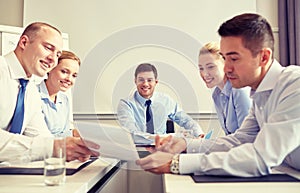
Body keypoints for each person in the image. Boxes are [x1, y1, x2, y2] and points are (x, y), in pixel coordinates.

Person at [136, 13, 300, 177]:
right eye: (225, 58)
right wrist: (185, 144)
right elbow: (239, 140)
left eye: (234, 59)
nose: (226, 68)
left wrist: (177, 164)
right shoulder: (259, 94)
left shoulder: (294, 85)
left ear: (263, 57)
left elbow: (260, 158)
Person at [0, 22, 98, 163]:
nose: (53, 59)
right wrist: (55, 147)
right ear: (23, 42)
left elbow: (40, 136)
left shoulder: (29, 89)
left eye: (57, 54)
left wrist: (76, 148)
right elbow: (48, 146)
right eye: (48, 48)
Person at [117, 63, 204, 143]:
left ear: (156, 82)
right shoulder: (125, 104)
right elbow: (131, 134)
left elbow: (186, 120)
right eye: (141, 80)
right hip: (138, 150)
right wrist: (162, 138)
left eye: (149, 80)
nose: (145, 84)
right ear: (135, 81)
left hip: (162, 150)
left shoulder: (165, 100)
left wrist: (198, 133)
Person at [198, 42, 251, 135]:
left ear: (226, 65)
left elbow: (247, 137)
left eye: (210, 67)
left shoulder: (239, 91)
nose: (204, 74)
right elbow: (230, 136)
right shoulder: (217, 94)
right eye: (201, 68)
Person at [38, 50, 80, 137]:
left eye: (74, 76)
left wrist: (74, 133)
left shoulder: (64, 99)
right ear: (50, 69)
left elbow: (64, 132)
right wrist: (72, 134)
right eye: (64, 72)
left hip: (61, 149)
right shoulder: (33, 94)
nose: (69, 79)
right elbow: (39, 138)